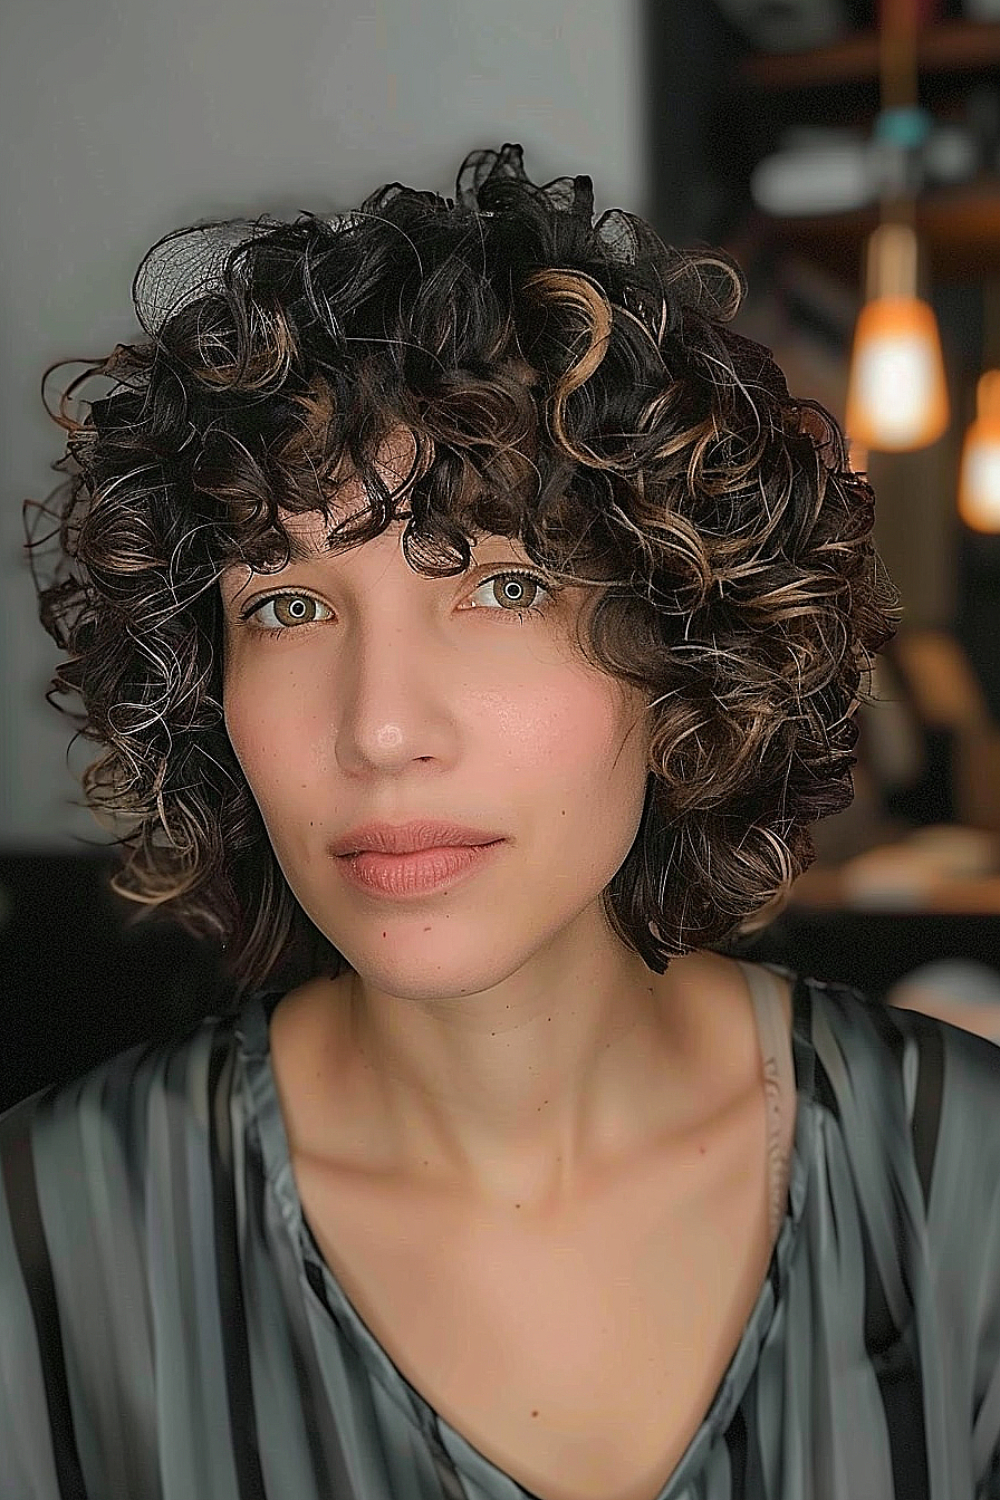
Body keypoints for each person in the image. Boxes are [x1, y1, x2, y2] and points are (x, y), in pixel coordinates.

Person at [2, 141, 999, 1500]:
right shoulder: (48, 1239)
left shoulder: (968, 1185)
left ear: (683, 641)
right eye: (285, 607)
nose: (382, 727)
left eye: (504, 589)